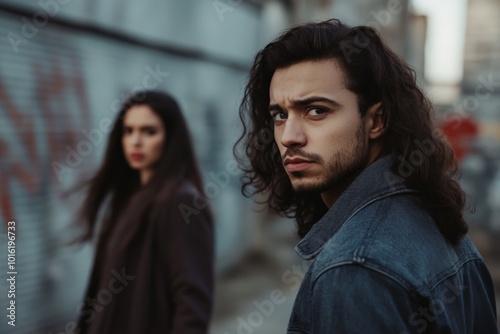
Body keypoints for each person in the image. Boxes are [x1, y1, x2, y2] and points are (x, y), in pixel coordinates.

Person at [235, 19, 498, 333]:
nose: (289, 136)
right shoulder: (434, 223)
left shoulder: (356, 267)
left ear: (376, 121)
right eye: (280, 114)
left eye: (316, 110)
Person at [75, 90, 214, 333]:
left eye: (149, 131)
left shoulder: (180, 202)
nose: (135, 141)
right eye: (129, 131)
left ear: (171, 138)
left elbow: (193, 306)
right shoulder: (130, 197)